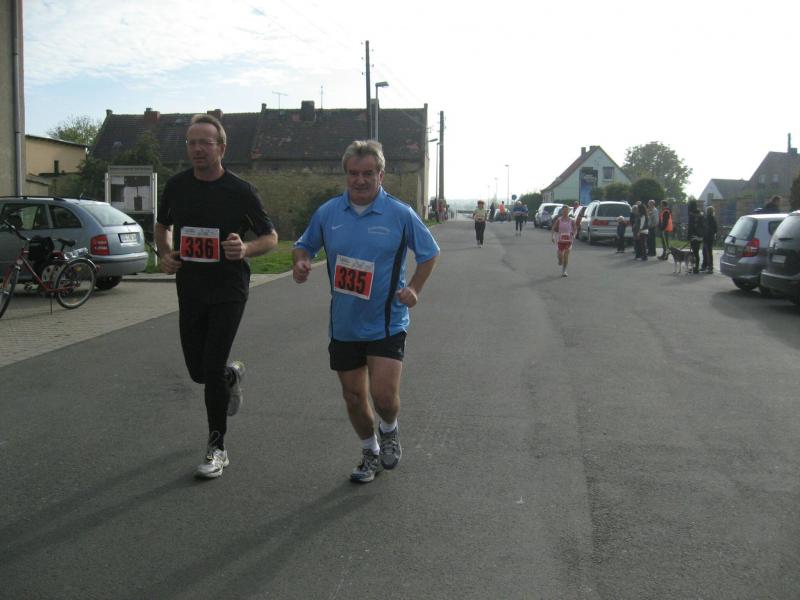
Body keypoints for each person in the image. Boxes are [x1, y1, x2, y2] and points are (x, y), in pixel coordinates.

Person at [292, 140, 440, 483]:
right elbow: (304, 245)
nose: (360, 180)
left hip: (387, 321)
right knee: (354, 396)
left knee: (384, 397)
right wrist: (300, 262)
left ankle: (389, 428)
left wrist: (414, 288)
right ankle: (370, 451)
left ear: (381, 175)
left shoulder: (400, 214)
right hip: (345, 323)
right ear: (346, 174)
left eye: (368, 174)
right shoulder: (328, 213)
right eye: (354, 173)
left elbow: (429, 253)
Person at [155, 113, 278, 479]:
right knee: (198, 371)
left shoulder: (241, 191)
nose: (197, 149)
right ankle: (230, 375)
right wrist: (165, 253)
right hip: (191, 288)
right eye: (191, 143)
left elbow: (270, 237)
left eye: (205, 143)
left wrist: (246, 248)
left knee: (209, 369)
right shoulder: (177, 186)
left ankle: (217, 447)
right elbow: (162, 225)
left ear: (221, 148)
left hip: (228, 289)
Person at [551, 204, 575, 277]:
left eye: (566, 210)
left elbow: (575, 229)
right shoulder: (559, 220)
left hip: (569, 240)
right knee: (560, 255)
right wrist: (552, 236)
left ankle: (564, 271)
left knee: (566, 255)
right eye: (564, 210)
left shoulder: (571, 220)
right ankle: (560, 260)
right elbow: (553, 228)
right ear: (562, 211)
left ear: (568, 211)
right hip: (560, 240)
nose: (565, 211)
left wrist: (574, 235)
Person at [687, 199, 705, 274]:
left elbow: (690, 227)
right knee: (696, 252)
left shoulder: (691, 215)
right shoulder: (701, 214)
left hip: (693, 235)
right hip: (699, 236)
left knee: (693, 253)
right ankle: (695, 267)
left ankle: (694, 267)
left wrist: (688, 236)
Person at [702, 205, 718, 273]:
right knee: (707, 252)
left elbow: (705, 228)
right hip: (710, 238)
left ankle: (708, 267)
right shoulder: (713, 219)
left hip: (706, 238)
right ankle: (706, 266)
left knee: (706, 253)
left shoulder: (707, 219)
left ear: (708, 211)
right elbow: (716, 229)